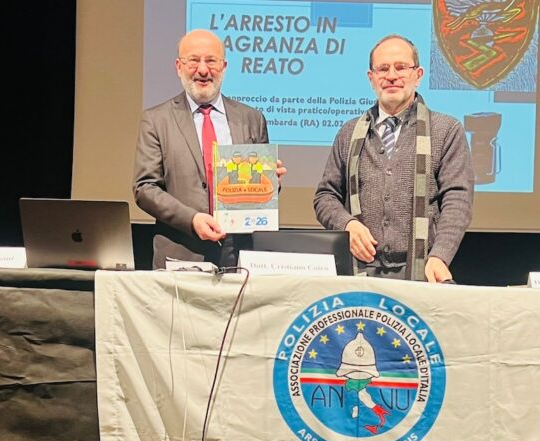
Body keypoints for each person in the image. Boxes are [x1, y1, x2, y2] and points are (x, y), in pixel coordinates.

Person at [313, 34, 474, 282]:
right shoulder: (349, 132)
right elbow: (325, 196)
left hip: (422, 272)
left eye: (401, 67)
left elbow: (458, 200)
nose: (391, 76)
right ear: (371, 78)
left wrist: (440, 255)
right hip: (359, 274)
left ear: (418, 75)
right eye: (383, 69)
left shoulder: (446, 130)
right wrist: (346, 224)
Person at [133, 29, 286, 269]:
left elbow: (257, 194)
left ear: (224, 66)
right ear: (178, 67)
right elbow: (145, 188)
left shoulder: (252, 119)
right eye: (193, 60)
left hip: (239, 256)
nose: (203, 70)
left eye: (211, 61)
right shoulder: (156, 120)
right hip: (180, 254)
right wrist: (192, 219)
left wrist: (270, 184)